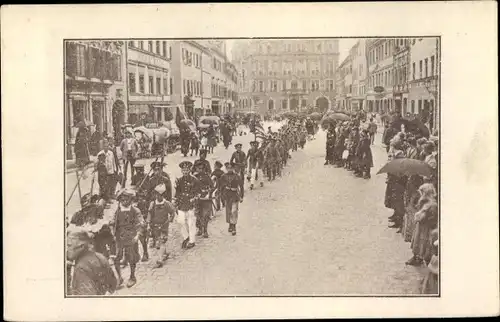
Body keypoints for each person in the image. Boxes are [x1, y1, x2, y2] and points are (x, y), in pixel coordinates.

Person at [67, 227, 117, 295]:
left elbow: (87, 300)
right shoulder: (100, 256)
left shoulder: (81, 268)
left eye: (69, 245)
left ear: (81, 246)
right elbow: (113, 283)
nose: (67, 249)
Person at [111, 188, 144, 288]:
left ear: (131, 199)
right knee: (116, 258)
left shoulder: (135, 210)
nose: (124, 201)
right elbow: (114, 220)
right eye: (122, 199)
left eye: (126, 199)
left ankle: (132, 276)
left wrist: (137, 235)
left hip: (131, 237)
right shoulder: (118, 210)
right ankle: (119, 277)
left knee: (131, 258)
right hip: (119, 238)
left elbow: (140, 224)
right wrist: (112, 222)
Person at [407, 183, 438, 266]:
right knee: (418, 241)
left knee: (423, 243)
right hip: (421, 226)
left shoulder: (432, 204)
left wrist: (422, 217)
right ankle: (417, 257)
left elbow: (432, 218)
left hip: (425, 228)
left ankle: (421, 259)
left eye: (422, 192)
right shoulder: (424, 201)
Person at [147, 184, 177, 269]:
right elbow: (149, 213)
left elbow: (172, 212)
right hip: (155, 226)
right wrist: (149, 223)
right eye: (156, 194)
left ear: (163, 195)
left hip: (163, 226)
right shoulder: (152, 204)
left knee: (161, 242)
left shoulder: (167, 204)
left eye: (160, 195)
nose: (158, 196)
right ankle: (165, 253)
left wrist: (170, 219)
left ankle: (160, 260)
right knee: (158, 240)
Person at [174, 161, 201, 249]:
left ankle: (192, 241)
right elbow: (177, 193)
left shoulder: (195, 180)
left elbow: (198, 193)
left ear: (189, 170)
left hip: (191, 203)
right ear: (181, 171)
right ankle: (186, 237)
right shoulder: (179, 180)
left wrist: (194, 199)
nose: (185, 172)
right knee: (181, 221)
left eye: (187, 170)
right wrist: (176, 201)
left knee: (191, 223)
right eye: (183, 170)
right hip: (182, 203)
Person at [220, 163, 244, 236]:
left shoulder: (237, 176)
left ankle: (234, 227)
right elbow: (221, 187)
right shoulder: (223, 176)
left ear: (233, 168)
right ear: (226, 169)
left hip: (235, 195)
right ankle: (230, 224)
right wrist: (221, 196)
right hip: (227, 195)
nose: (229, 169)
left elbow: (241, 186)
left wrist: (241, 196)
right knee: (229, 211)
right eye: (228, 168)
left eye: (231, 168)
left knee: (234, 211)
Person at [193, 162, 215, 238]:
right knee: (198, 214)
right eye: (199, 168)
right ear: (196, 169)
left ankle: (205, 230)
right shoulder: (194, 177)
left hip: (206, 199)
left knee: (205, 215)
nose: (200, 170)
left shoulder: (207, 177)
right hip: (198, 199)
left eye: (202, 168)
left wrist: (209, 192)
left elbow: (212, 186)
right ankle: (199, 229)